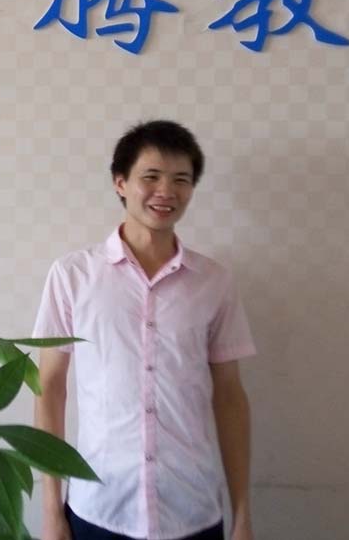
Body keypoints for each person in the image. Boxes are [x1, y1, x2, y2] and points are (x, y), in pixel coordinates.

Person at [32, 120, 256, 540]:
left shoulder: (214, 282)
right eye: (150, 177)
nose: (166, 191)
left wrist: (242, 512)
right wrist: (50, 509)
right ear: (120, 182)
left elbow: (230, 396)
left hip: (192, 508)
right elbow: (49, 387)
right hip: (99, 506)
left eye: (181, 179)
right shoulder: (73, 276)